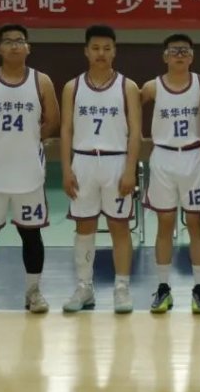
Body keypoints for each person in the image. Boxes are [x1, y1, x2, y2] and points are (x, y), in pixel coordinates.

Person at [0, 24, 60, 317]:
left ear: (28, 47)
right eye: (8, 41)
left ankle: (33, 291)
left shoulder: (41, 81)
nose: (14, 45)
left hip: (28, 174)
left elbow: (52, 120)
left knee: (31, 235)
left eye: (20, 41)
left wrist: (30, 141)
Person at [60, 25, 141, 314]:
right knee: (84, 226)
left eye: (107, 48)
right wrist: (66, 168)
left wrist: (130, 169)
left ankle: (122, 287)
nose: (101, 53)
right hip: (83, 161)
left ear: (115, 51)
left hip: (116, 161)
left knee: (119, 226)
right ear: (86, 51)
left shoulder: (127, 87)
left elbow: (135, 132)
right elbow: (66, 130)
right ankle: (85, 286)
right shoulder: (72, 87)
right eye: (95, 48)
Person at [141, 34, 200, 314]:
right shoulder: (151, 87)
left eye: (184, 51)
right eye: (174, 51)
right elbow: (129, 111)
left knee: (195, 223)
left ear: (192, 56)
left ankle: (199, 288)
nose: (179, 55)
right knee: (165, 224)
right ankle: (163, 287)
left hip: (194, 156)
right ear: (165, 56)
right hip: (163, 157)